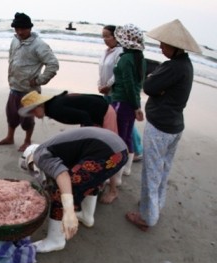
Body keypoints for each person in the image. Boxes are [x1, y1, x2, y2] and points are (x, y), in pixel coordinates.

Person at [125, 19, 201, 231]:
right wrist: (158, 86)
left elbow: (148, 86)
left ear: (175, 47)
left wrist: (155, 83)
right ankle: (155, 205)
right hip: (174, 125)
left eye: (164, 44)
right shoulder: (185, 65)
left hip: (161, 126)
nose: (160, 47)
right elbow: (154, 87)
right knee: (163, 169)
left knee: (152, 170)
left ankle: (147, 217)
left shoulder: (173, 67)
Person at [19, 127, 128, 253]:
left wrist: (69, 210)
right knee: (90, 179)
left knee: (61, 190)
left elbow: (62, 176)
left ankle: (55, 240)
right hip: (120, 150)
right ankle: (87, 216)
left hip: (106, 151)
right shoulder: (57, 148)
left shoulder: (39, 154)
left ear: (30, 161)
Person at [19, 90, 120, 205]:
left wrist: (90, 139)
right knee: (92, 152)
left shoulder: (55, 109)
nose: (34, 115)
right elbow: (82, 114)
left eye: (33, 111)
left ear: (40, 105)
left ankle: (113, 190)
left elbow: (84, 116)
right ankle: (103, 179)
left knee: (112, 153)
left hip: (104, 112)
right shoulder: (51, 107)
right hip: (91, 114)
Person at [0, 12, 59, 152]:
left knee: (27, 119)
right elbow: (11, 58)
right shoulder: (15, 40)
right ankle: (9, 137)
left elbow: (53, 64)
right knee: (11, 114)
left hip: (30, 91)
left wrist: (39, 80)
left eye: (23, 29)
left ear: (30, 28)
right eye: (17, 29)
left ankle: (27, 141)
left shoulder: (39, 45)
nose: (20, 32)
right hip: (14, 87)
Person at [110, 23, 146, 178]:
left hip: (121, 101)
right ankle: (126, 169)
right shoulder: (140, 58)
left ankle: (116, 176)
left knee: (117, 137)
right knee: (128, 136)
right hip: (131, 102)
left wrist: (136, 106)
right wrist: (136, 104)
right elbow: (138, 84)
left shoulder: (125, 59)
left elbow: (128, 84)